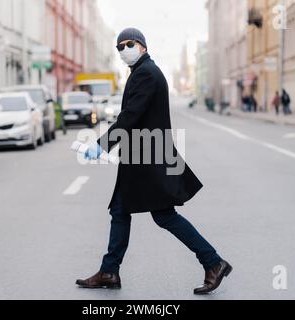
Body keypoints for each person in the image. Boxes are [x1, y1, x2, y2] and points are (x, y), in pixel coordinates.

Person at [76, 28, 232, 295]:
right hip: (141, 155)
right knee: (120, 211)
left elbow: (130, 116)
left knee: (164, 215)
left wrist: (101, 145)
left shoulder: (146, 74)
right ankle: (110, 270)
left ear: (143, 46)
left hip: (149, 157)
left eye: (130, 44)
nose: (124, 49)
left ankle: (213, 262)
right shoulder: (142, 72)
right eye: (120, 46)